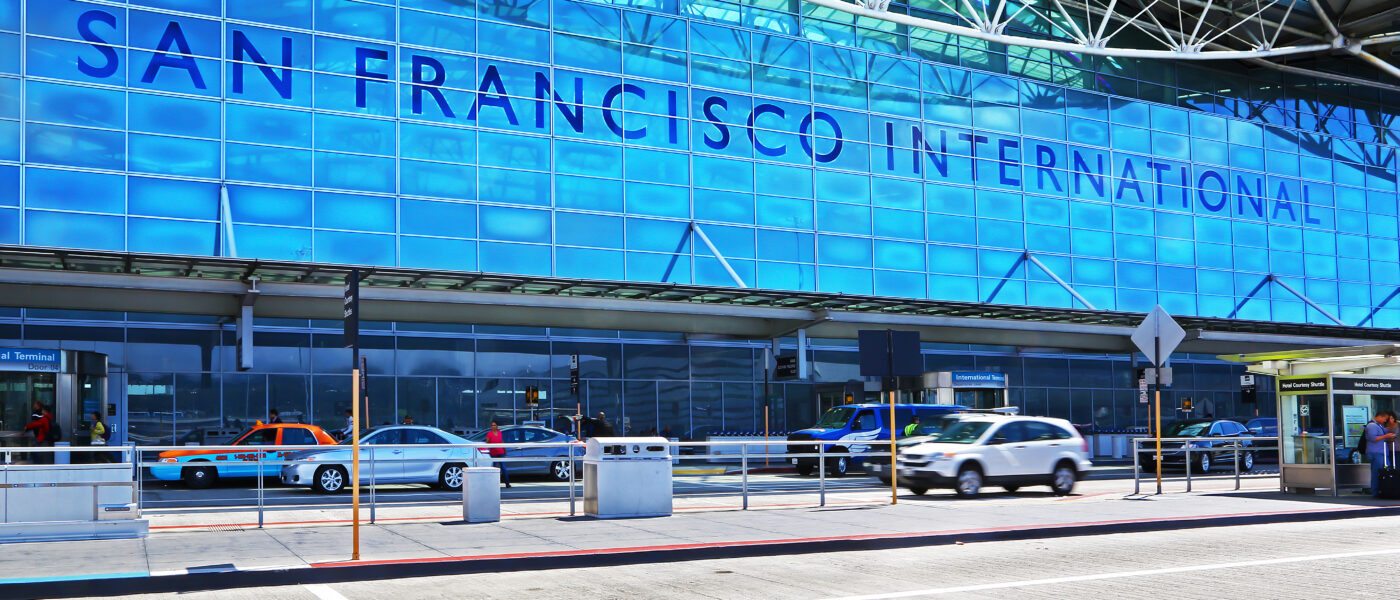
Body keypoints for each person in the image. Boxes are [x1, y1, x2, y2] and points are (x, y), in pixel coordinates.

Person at [1364, 409, 1397, 497]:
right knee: (1377, 472)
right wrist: (1386, 436)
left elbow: (1384, 432)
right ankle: (1375, 491)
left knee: (1385, 470)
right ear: (1380, 416)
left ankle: (1383, 489)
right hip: (1376, 453)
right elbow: (1373, 438)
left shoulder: (1378, 426)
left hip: (1381, 453)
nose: (1385, 421)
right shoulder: (1372, 426)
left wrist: (1388, 427)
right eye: (1385, 419)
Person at [485, 421, 510, 489]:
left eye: (494, 425)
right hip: (494, 453)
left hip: (500, 452)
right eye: (492, 425)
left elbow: (501, 441)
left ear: (497, 426)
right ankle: (494, 484)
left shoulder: (499, 432)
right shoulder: (489, 434)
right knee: (495, 468)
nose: (493, 426)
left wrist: (504, 450)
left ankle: (507, 483)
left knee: (503, 467)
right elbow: (487, 442)